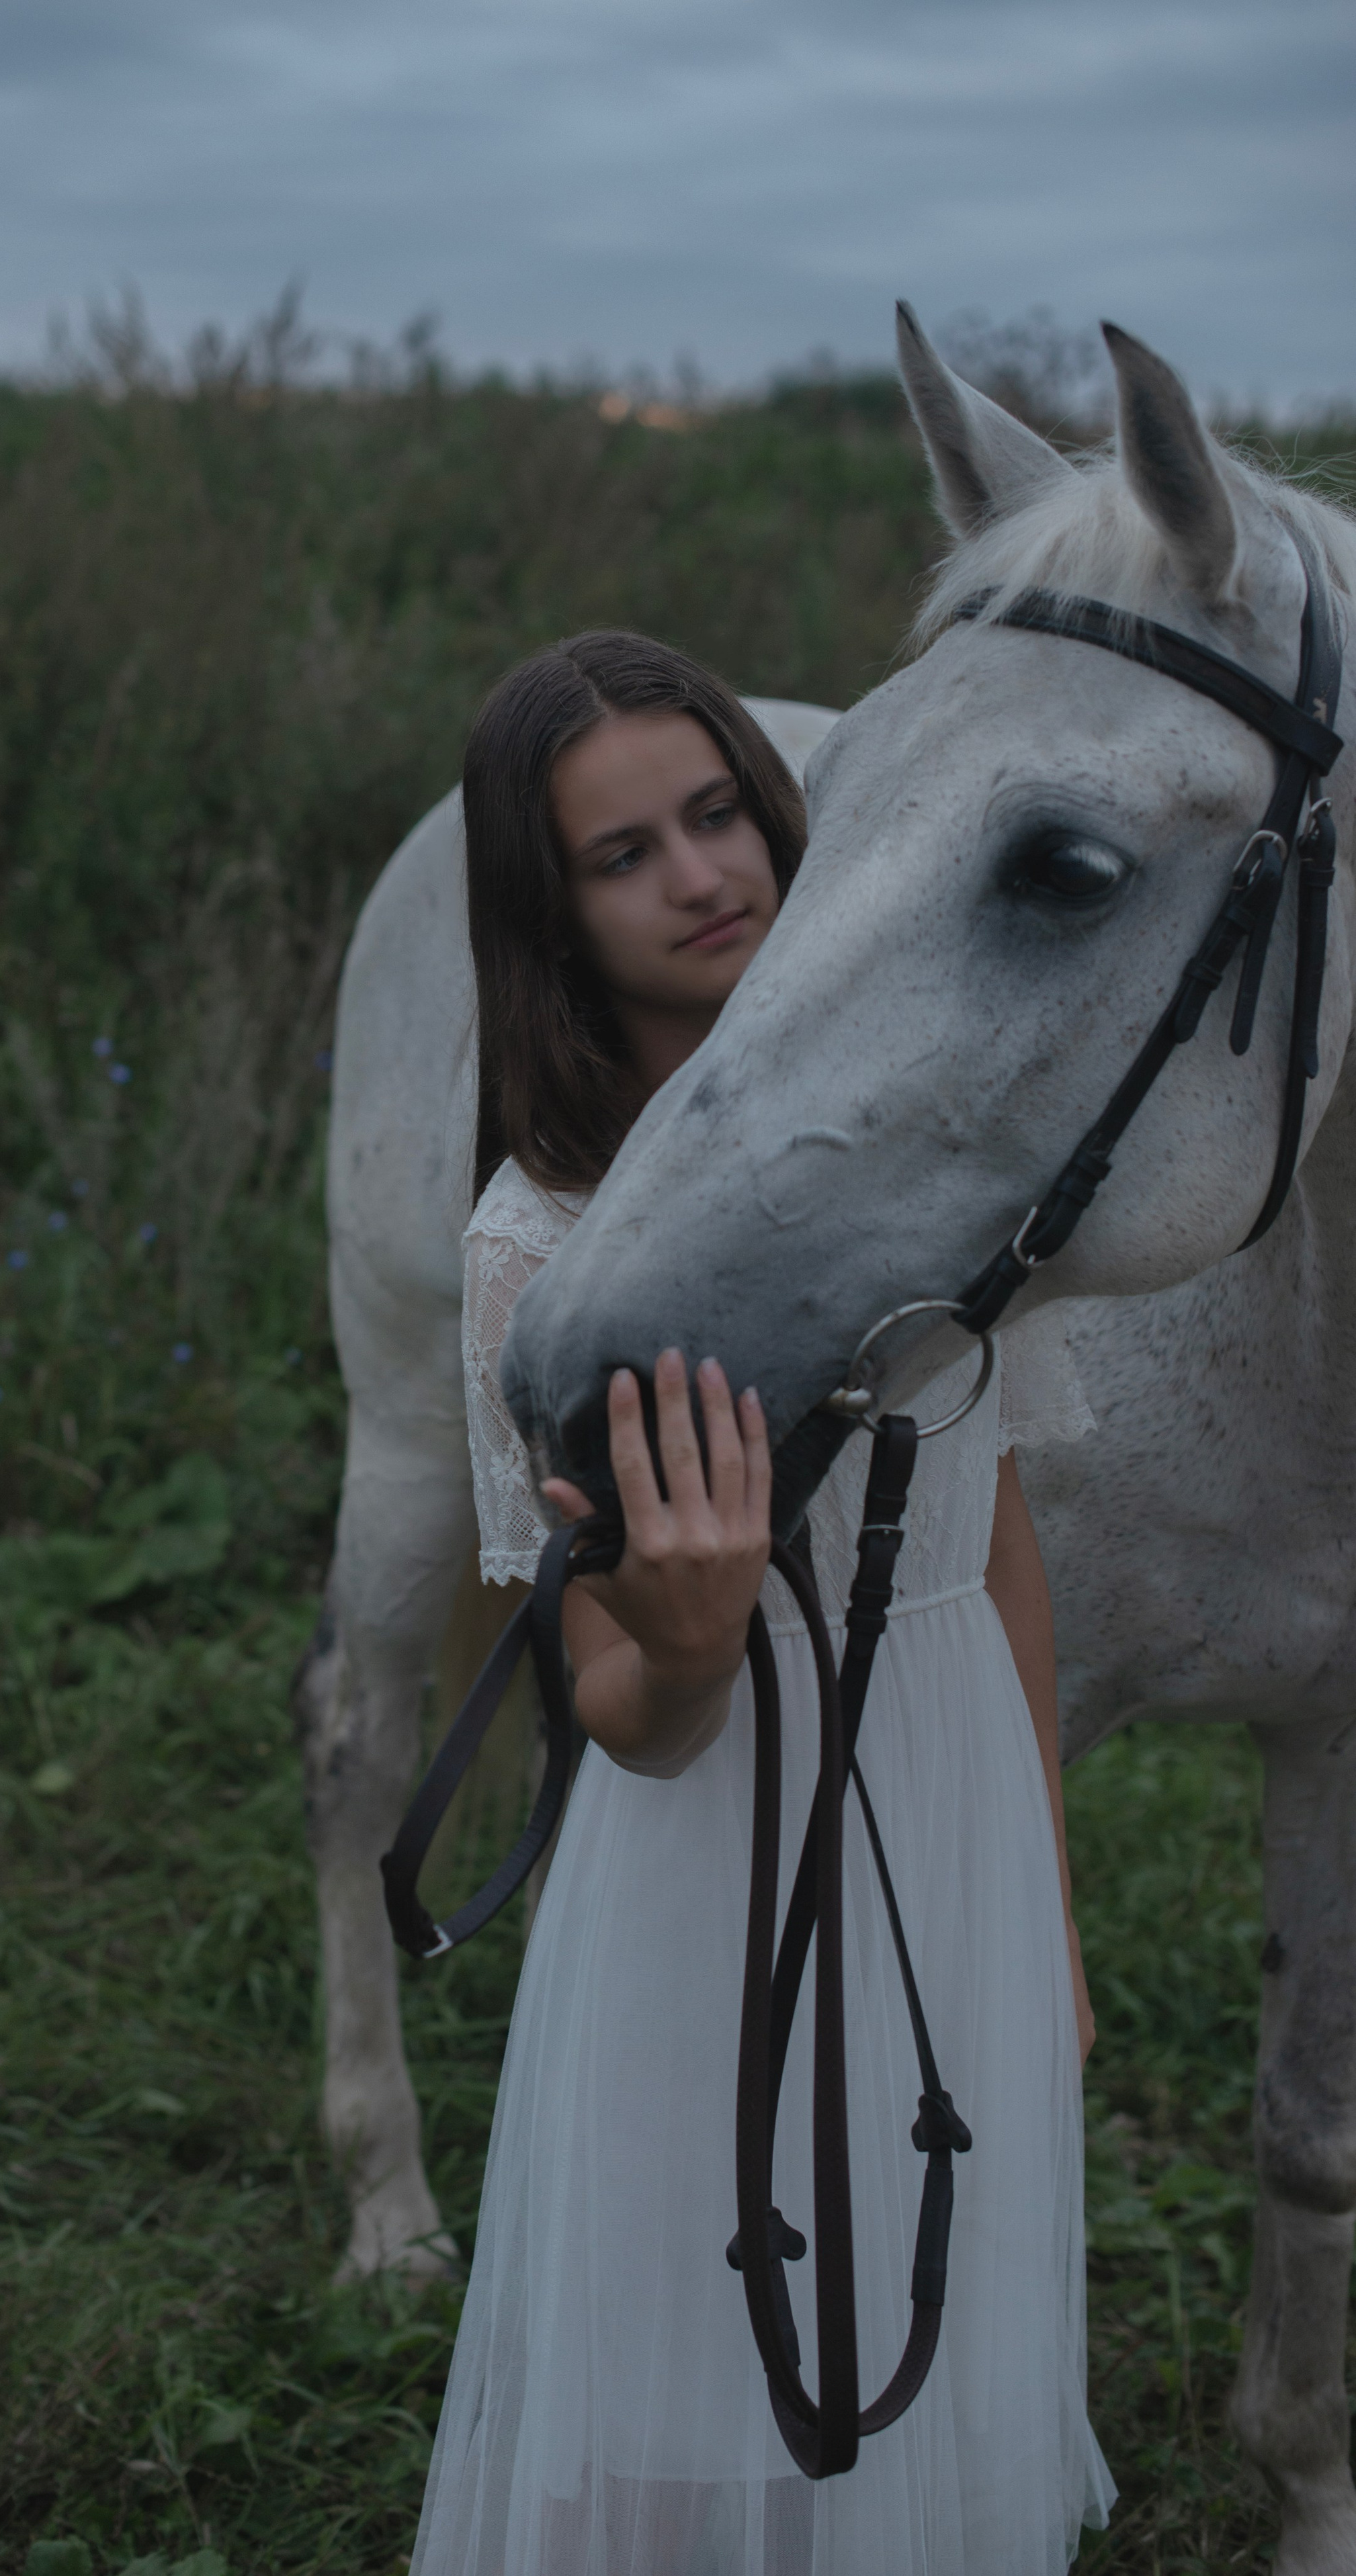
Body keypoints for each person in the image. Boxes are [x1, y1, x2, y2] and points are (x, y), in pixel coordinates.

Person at [411, 629, 1115, 2576]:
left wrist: (1042, 1899)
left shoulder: (949, 1161)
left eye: (718, 811)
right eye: (622, 854)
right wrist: (703, 1635)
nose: (703, 875)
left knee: (928, 2324)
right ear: (548, 915)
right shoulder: (544, 1250)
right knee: (682, 2375)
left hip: (951, 1789)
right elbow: (616, 1698)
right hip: (703, 1852)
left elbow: (1002, 1541)